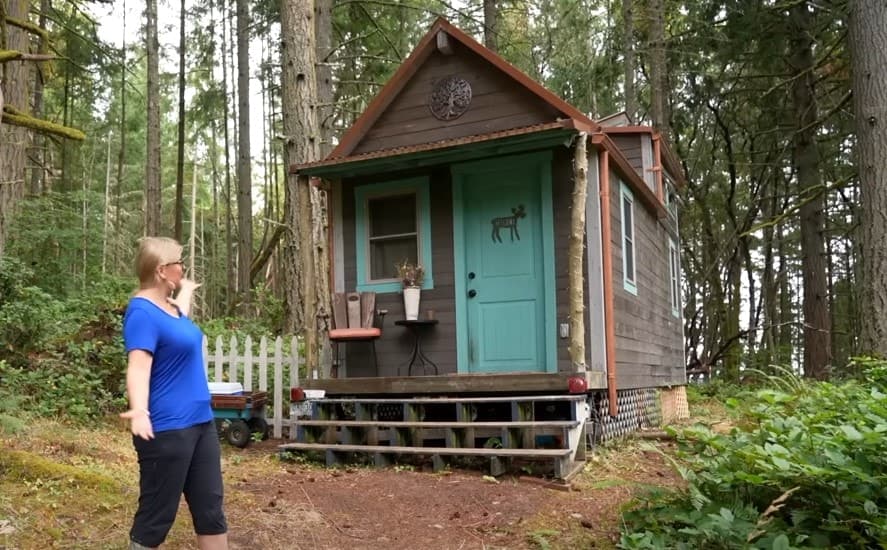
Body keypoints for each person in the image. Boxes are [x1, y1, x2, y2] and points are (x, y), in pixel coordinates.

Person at [119, 237, 228, 550]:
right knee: (156, 518)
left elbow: (179, 324)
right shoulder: (142, 313)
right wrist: (139, 410)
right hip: (167, 429)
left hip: (201, 423)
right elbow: (138, 366)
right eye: (178, 263)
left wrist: (187, 290)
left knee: (210, 511)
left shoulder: (170, 309)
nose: (183, 267)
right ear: (160, 270)